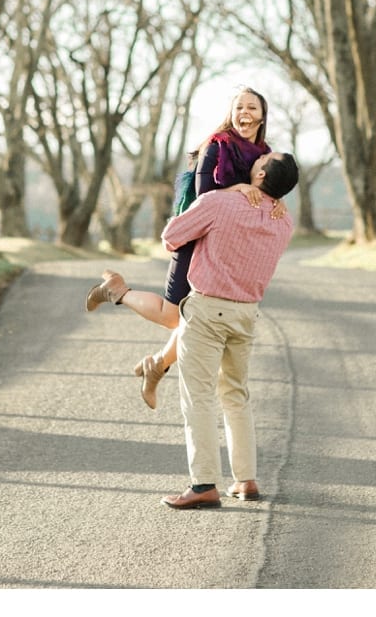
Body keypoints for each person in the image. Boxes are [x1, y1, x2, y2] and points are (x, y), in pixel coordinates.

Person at [85, 87, 286, 409]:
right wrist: (238, 186)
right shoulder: (217, 146)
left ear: (262, 115)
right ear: (231, 113)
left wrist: (276, 203)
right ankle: (116, 291)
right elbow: (204, 191)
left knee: (195, 318)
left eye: (252, 107)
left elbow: (267, 186)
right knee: (172, 316)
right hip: (196, 235)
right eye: (239, 107)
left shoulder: (264, 153)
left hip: (225, 247)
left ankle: (157, 366)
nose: (245, 113)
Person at [157, 149, 299, 509]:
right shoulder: (284, 222)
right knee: (236, 395)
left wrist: (221, 194)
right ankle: (245, 479)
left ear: (262, 176)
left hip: (208, 309)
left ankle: (204, 483)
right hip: (247, 314)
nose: (256, 159)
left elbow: (171, 236)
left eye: (263, 160)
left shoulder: (221, 203)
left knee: (199, 397)